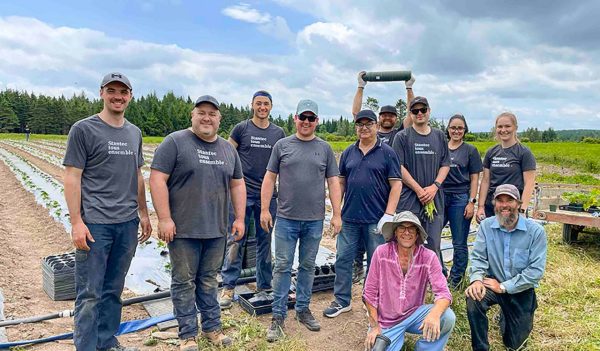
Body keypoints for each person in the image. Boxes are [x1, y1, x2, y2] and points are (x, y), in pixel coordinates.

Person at [63, 72, 152, 351]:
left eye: (123, 92)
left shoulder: (134, 132)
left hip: (126, 224)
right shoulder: (84, 129)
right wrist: (77, 221)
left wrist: (144, 213)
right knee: (90, 293)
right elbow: (72, 176)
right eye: (112, 90)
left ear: (130, 95)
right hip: (95, 224)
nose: (118, 96)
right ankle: (87, 346)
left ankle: (106, 341)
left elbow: (137, 175)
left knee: (114, 290)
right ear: (102, 92)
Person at [149, 95, 246, 349]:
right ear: (192, 115)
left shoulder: (227, 149)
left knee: (209, 280)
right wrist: (164, 218)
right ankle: (187, 335)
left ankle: (212, 329)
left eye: (212, 114)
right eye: (201, 112)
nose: (206, 118)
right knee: (183, 282)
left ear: (219, 119)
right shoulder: (175, 142)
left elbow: (237, 184)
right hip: (182, 230)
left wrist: (239, 217)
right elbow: (157, 179)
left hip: (216, 230)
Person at [260, 99, 342, 342]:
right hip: (285, 218)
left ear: (317, 121)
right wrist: (265, 209)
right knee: (283, 266)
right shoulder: (282, 145)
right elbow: (269, 178)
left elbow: (334, 182)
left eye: (311, 118)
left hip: (314, 220)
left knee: (307, 266)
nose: (306, 122)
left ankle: (303, 309)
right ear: (295, 118)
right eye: (302, 117)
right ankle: (277, 316)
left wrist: (336, 214)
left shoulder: (324, 148)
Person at [322, 109, 402, 318]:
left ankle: (371, 303)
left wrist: (389, 214)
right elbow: (340, 183)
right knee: (343, 259)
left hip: (376, 220)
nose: (364, 128)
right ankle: (342, 300)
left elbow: (396, 185)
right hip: (349, 219)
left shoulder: (387, 152)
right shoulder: (348, 152)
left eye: (368, 124)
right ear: (356, 127)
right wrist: (336, 213)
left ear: (376, 126)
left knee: (376, 264)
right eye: (360, 124)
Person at [219, 90, 285, 309]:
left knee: (265, 242)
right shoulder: (241, 129)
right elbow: (227, 154)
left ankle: (264, 285)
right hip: (241, 194)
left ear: (271, 106)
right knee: (236, 238)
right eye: (258, 104)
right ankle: (228, 286)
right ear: (252, 105)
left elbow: (283, 163)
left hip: (267, 196)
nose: (262, 107)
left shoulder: (278, 133)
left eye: (266, 104)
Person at [466, 184, 547, 351]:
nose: (504, 205)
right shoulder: (486, 226)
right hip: (492, 284)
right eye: (500, 200)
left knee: (515, 344)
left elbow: (535, 271)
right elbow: (478, 257)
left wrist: (503, 287)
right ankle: (480, 347)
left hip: (520, 289)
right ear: (494, 204)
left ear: (518, 203)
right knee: (474, 298)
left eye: (509, 200)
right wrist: (476, 280)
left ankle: (506, 316)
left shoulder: (535, 232)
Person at [350, 71, 415, 282]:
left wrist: (409, 87)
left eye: (391, 115)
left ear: (395, 118)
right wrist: (361, 86)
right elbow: (356, 114)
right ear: (378, 121)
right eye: (384, 115)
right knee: (359, 237)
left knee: (379, 242)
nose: (387, 117)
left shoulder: (399, 135)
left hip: (388, 196)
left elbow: (412, 115)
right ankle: (357, 266)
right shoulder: (367, 132)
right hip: (364, 197)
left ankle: (380, 280)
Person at [363, 211, 455, 351]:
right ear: (395, 232)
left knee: (447, 317)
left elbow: (444, 293)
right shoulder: (381, 253)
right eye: (402, 228)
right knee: (377, 348)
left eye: (411, 228)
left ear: (417, 234)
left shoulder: (428, 257)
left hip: (414, 314)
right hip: (386, 320)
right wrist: (374, 326)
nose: (407, 232)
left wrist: (434, 315)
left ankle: (426, 348)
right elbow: (369, 293)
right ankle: (390, 336)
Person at [391, 96, 450, 271]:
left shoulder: (439, 136)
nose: (419, 113)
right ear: (410, 114)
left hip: (434, 199)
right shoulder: (402, 137)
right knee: (406, 241)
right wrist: (418, 189)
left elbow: (445, 164)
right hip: (409, 199)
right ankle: (406, 280)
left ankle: (432, 281)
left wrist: (434, 186)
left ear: (428, 111)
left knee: (433, 242)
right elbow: (398, 166)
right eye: (415, 111)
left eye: (422, 110)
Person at [442, 114, 482, 288]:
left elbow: (475, 179)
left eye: (460, 128)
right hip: (440, 196)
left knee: (459, 242)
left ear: (465, 130)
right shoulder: (442, 147)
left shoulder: (470, 150)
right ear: (448, 129)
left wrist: (471, 202)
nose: (456, 131)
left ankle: (456, 279)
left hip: (460, 198)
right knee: (432, 238)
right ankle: (439, 274)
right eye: (453, 127)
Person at [476, 112, 536, 222]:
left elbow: (529, 183)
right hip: (492, 206)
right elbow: (485, 181)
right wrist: (480, 207)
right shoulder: (491, 152)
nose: (503, 130)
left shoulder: (524, 153)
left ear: (515, 127)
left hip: (513, 207)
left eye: (507, 126)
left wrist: (522, 210)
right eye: (500, 126)